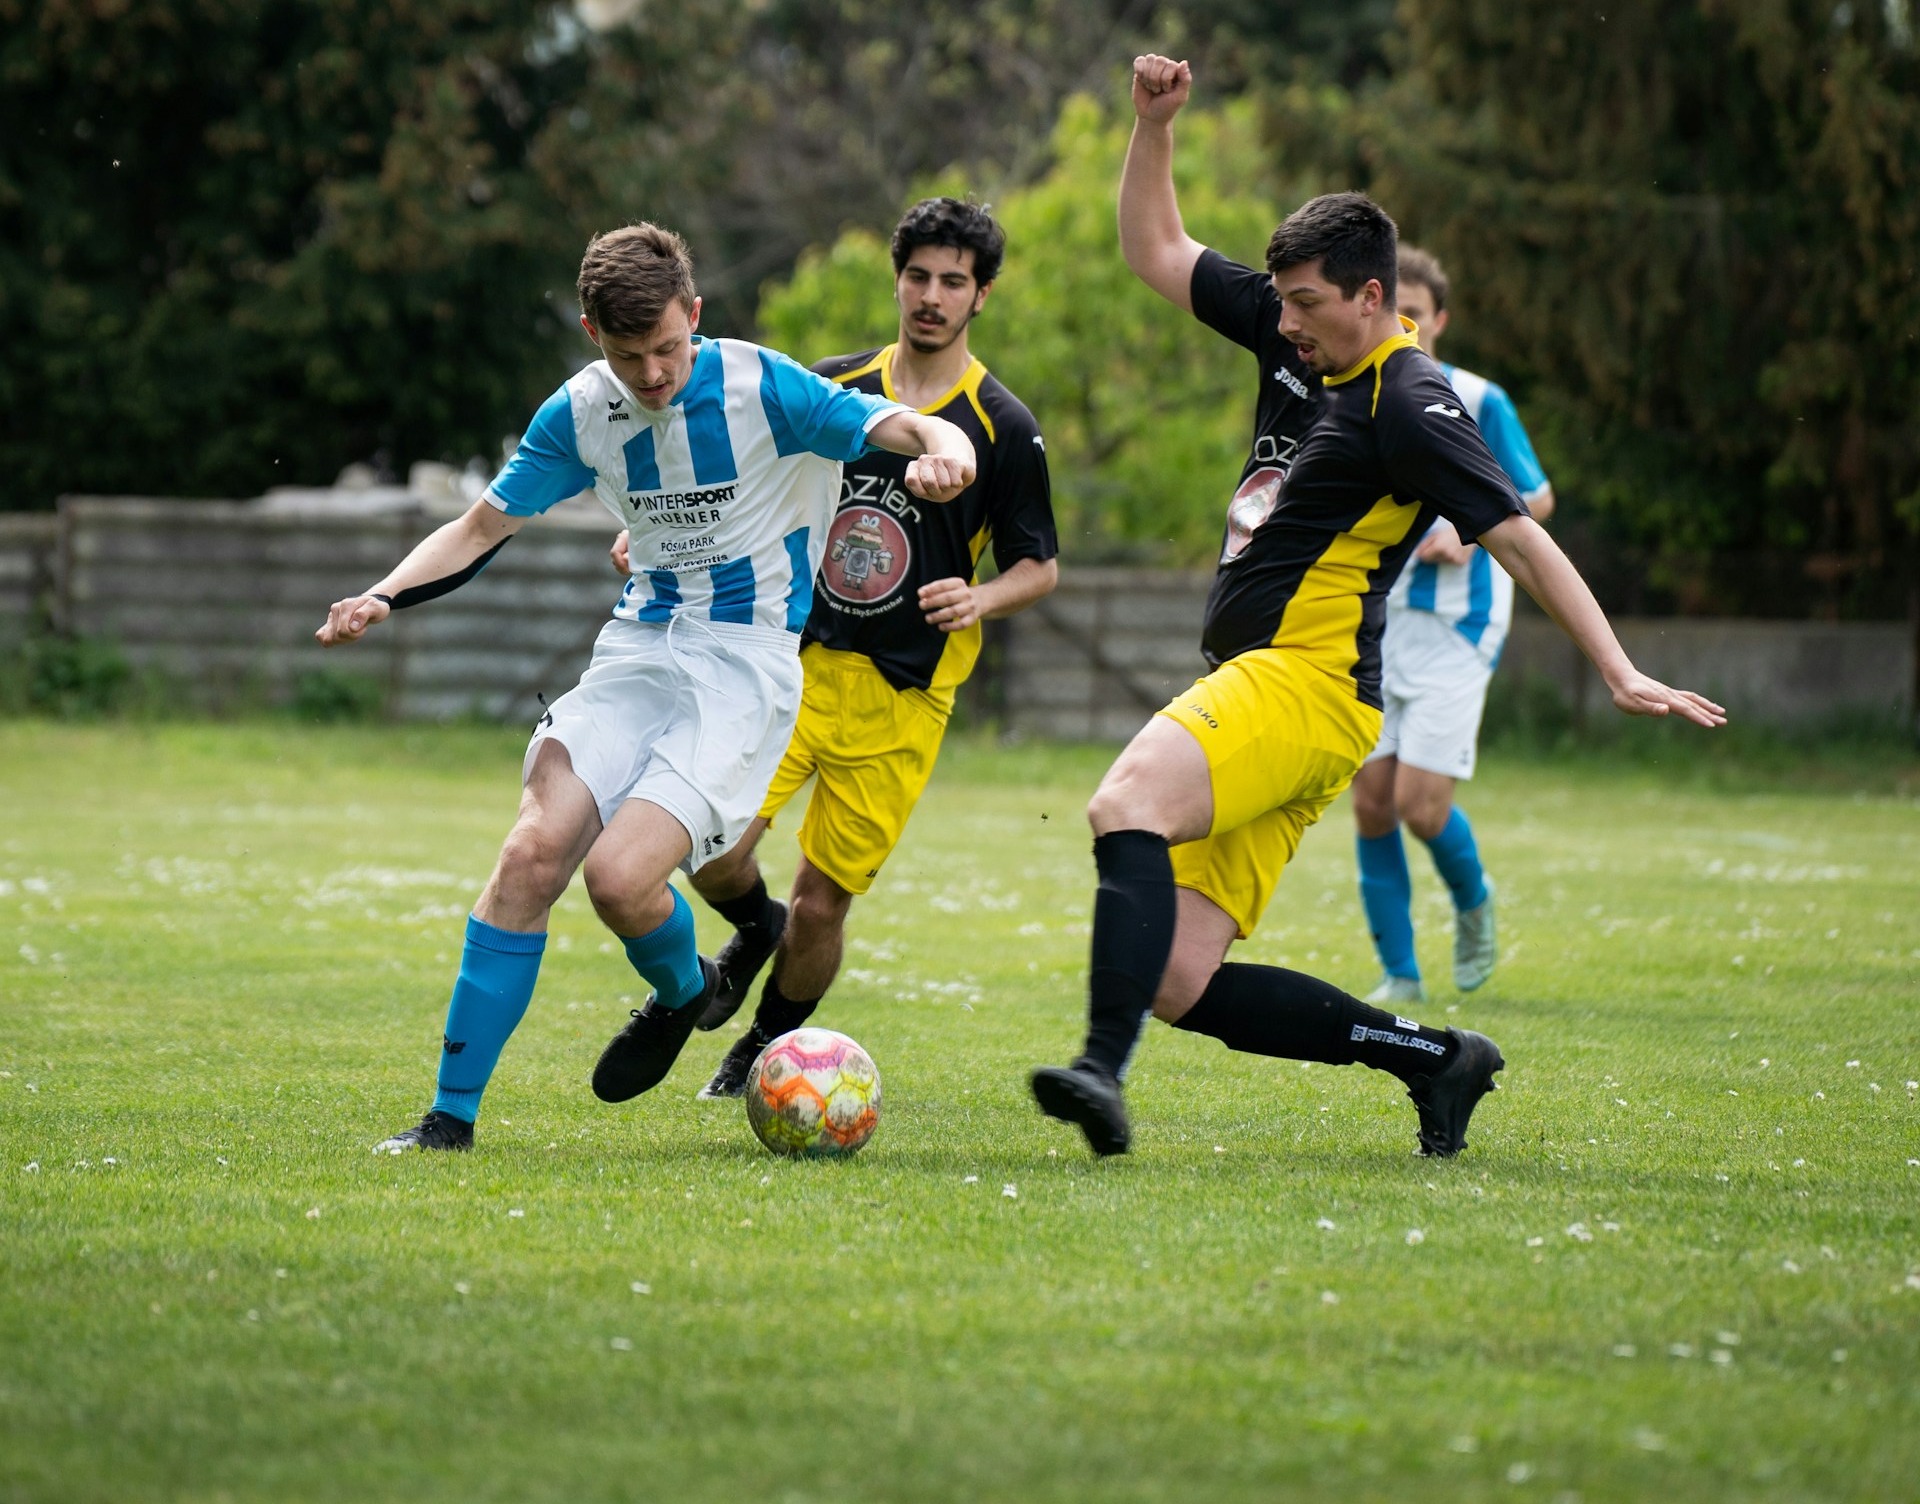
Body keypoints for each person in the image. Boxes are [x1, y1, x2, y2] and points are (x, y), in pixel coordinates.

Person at [1029, 56, 1725, 1163]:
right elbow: (1154, 251)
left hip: (1302, 681)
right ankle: (1436, 1057)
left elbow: (1519, 535)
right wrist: (1151, 127)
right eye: (1284, 302)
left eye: (1308, 305)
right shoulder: (1292, 331)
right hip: (1273, 691)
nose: (1287, 324)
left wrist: (1617, 666)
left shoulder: (1413, 400)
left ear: (1375, 299)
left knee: (1124, 805)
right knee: (1178, 978)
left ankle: (1098, 1074)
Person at [314, 221, 975, 1153]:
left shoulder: (760, 385)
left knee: (621, 882)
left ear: (694, 317)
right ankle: (447, 1123)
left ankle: (680, 990)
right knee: (530, 856)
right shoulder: (581, 412)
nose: (655, 374)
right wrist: (384, 595)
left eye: (668, 348)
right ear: (594, 334)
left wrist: (949, 452)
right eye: (632, 356)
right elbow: (476, 528)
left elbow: (899, 422)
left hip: (744, 668)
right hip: (638, 649)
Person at [609, 198, 1060, 1098]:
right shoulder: (832, 382)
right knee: (712, 849)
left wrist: (981, 596)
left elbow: (1039, 566)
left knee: (825, 902)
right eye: (919, 277)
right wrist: (655, 536)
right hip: (790, 661)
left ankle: (761, 1051)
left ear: (983, 296)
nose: (931, 297)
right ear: (897, 280)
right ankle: (751, 927)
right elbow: (728, 483)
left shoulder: (1003, 424)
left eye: (954, 283)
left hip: (903, 695)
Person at [1351, 245, 1554, 1007]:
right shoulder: (1353, 393)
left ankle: (1473, 902)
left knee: (1420, 804)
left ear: (1438, 319)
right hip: (1375, 623)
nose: (1403, 321)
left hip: (1458, 628)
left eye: (1416, 311)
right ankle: (1400, 971)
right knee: (1371, 800)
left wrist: (1465, 527)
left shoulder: (1476, 396)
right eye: (1390, 307)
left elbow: (1536, 497)